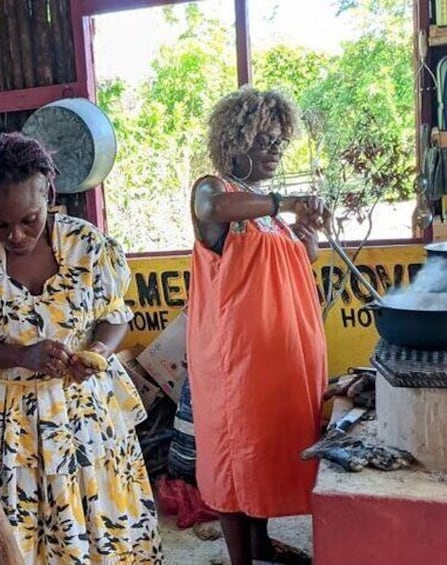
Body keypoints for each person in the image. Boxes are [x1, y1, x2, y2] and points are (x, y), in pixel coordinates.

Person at [0, 132, 163, 564]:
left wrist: (100, 353)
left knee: (98, 527)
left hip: (86, 421)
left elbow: (114, 314)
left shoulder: (87, 245)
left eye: (29, 219)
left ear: (48, 193)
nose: (15, 235)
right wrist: (19, 356)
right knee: (14, 536)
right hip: (1, 427)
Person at [186, 87, 329, 565]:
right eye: (264, 140)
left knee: (263, 449)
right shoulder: (217, 191)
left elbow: (288, 268)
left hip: (278, 357)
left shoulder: (268, 214)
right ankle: (240, 559)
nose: (274, 151)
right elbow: (211, 212)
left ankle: (262, 544)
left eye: (278, 142)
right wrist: (284, 201)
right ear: (236, 141)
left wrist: (306, 244)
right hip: (237, 359)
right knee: (234, 450)